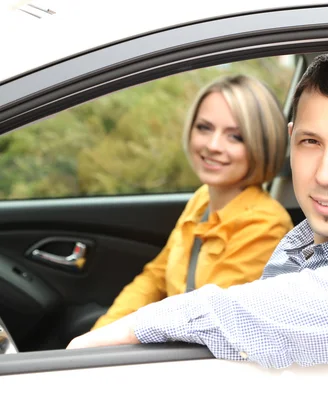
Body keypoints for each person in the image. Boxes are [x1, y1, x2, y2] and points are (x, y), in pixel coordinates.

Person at [68, 50, 328, 370]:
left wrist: (143, 325)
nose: (325, 174)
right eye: (310, 142)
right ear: (291, 139)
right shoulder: (304, 240)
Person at [90, 74, 293, 330]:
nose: (213, 145)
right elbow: (155, 277)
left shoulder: (266, 225)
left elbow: (208, 321)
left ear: (262, 145)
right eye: (204, 128)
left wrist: (116, 337)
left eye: (235, 136)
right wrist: (103, 331)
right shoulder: (202, 199)